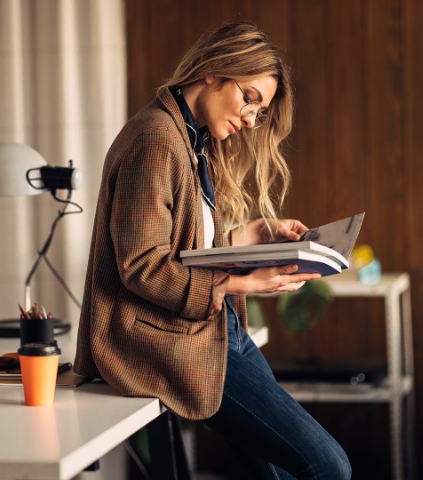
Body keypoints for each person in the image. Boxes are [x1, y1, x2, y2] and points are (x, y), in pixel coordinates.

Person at [73, 23, 352, 479]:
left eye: (258, 112)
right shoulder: (156, 139)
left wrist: (251, 236)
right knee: (328, 466)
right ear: (214, 72)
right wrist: (245, 281)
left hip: (214, 330)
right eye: (250, 99)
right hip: (173, 338)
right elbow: (142, 264)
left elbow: (186, 248)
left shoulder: (188, 140)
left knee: (280, 473)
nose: (250, 120)